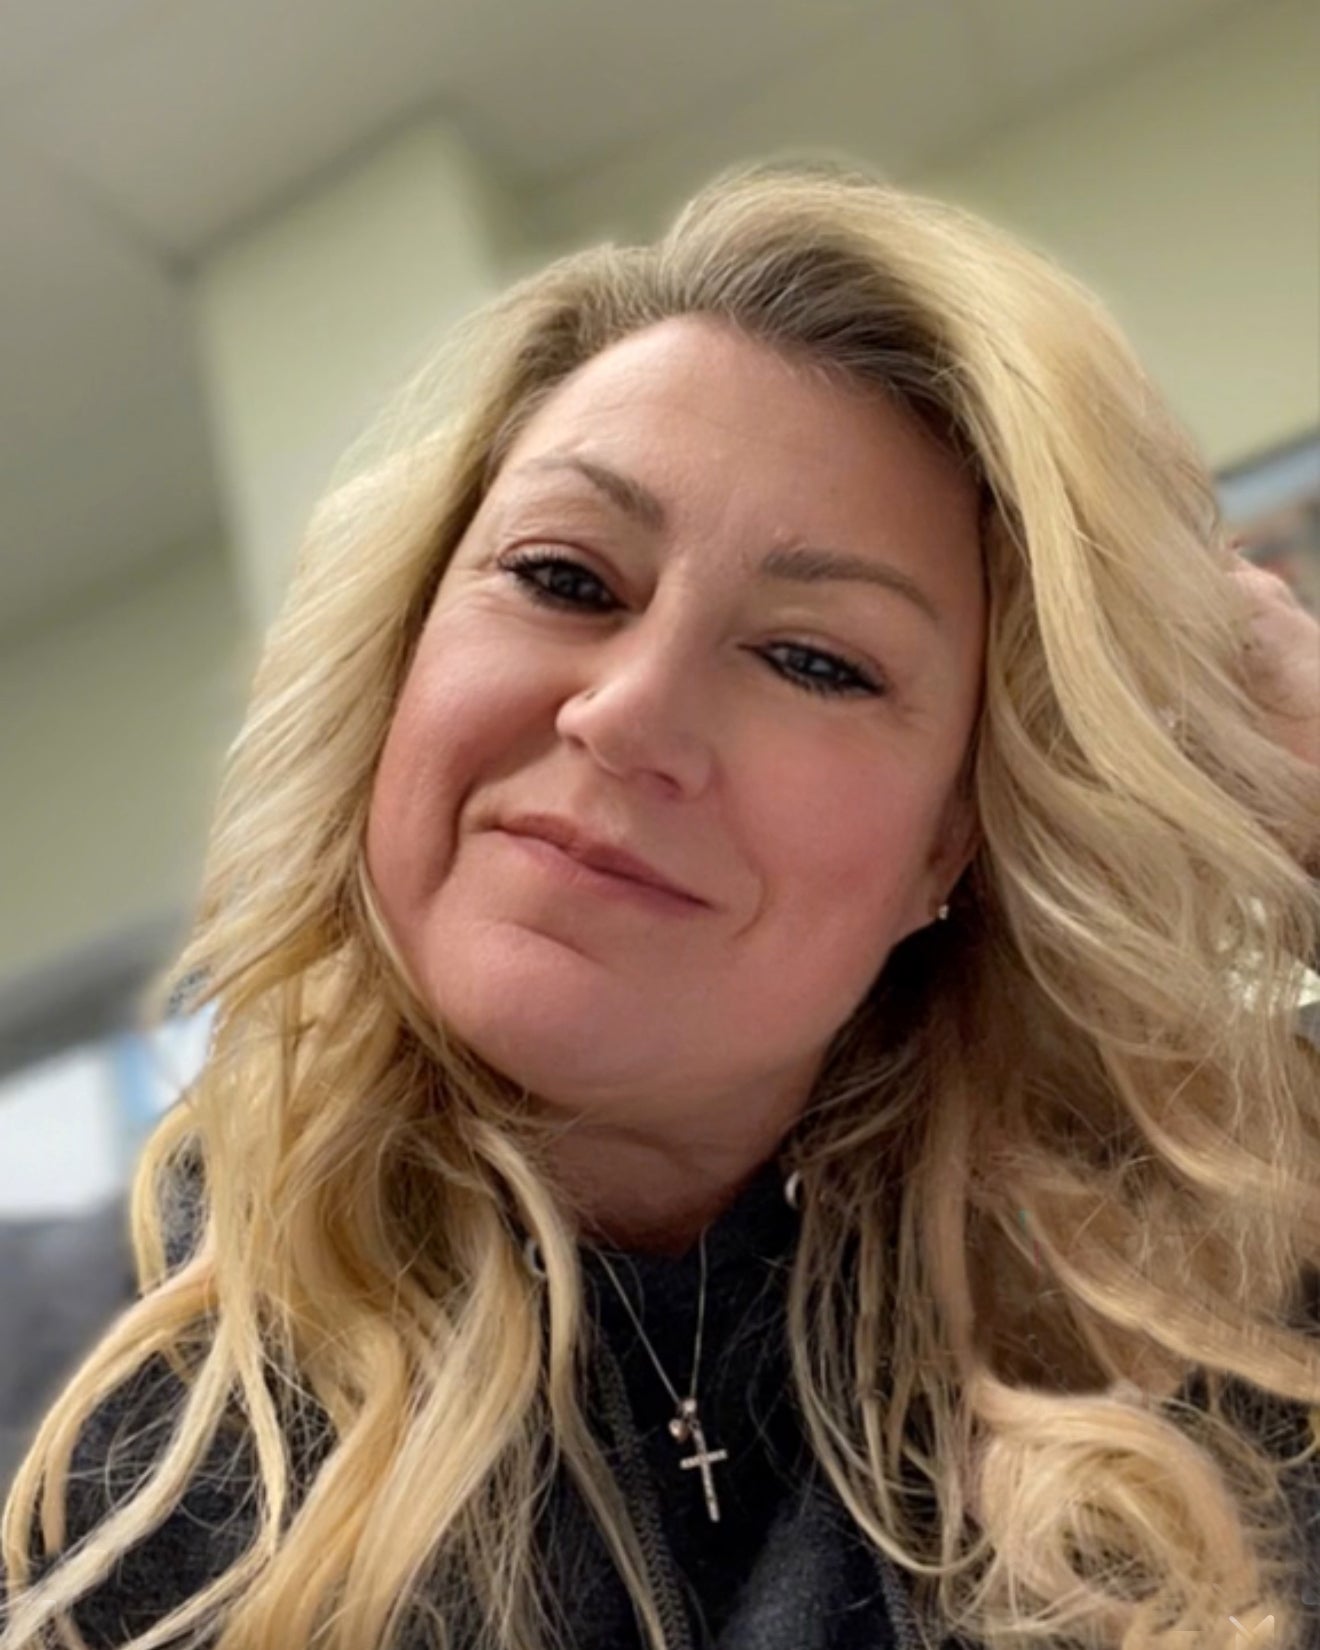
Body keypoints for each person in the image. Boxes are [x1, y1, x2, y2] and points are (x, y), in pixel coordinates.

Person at [2, 158, 1319, 1650]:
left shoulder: (1195, 1364)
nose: (628, 716)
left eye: (816, 661)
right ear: (399, 661)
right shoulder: (50, 1377)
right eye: (564, 577)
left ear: (954, 845)